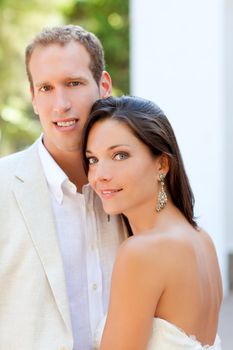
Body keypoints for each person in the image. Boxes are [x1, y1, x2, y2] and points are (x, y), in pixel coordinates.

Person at [0, 25, 128, 350]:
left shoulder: (136, 183)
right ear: (32, 98)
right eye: (45, 88)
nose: (60, 104)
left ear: (104, 86)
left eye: (73, 83)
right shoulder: (4, 186)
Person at [82, 95, 223, 350]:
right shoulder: (202, 239)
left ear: (162, 163)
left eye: (120, 155)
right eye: (93, 159)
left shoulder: (141, 253)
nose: (100, 175)